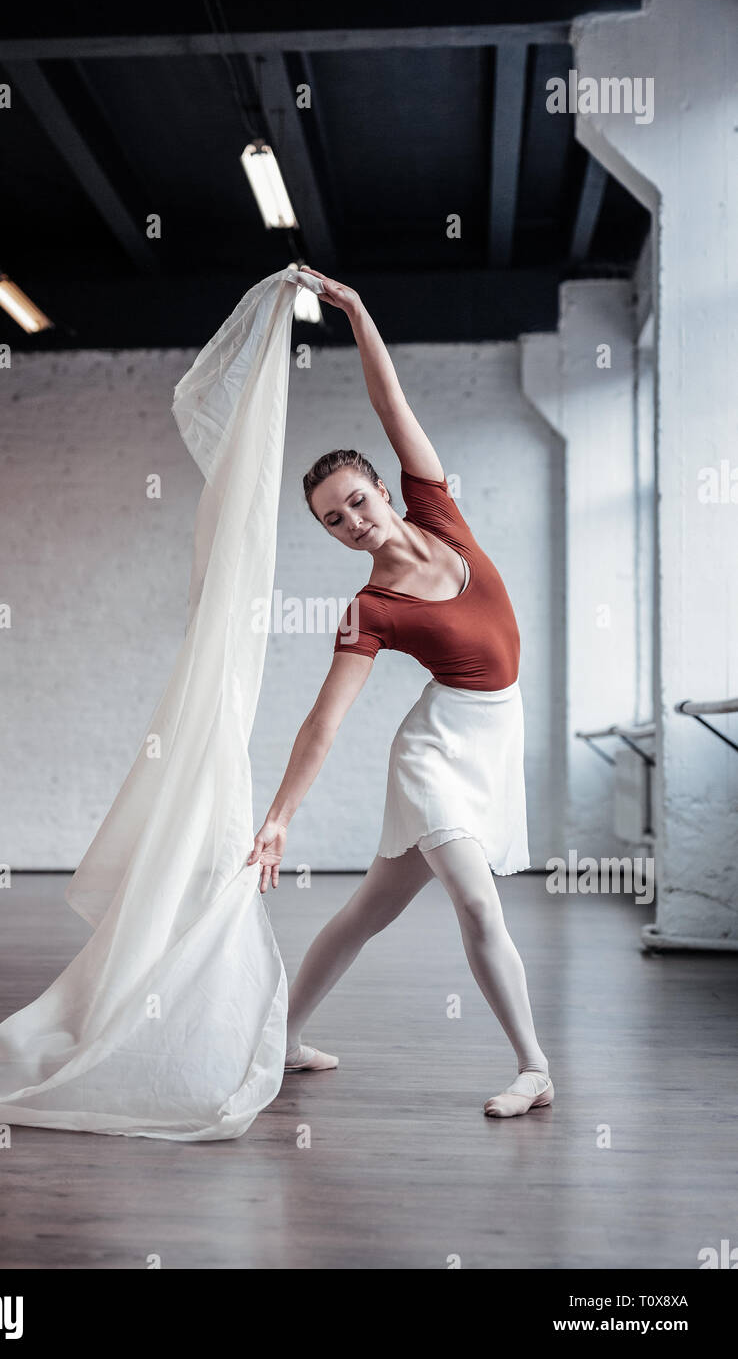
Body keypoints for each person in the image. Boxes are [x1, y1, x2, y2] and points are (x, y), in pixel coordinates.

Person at [247, 267, 553, 1119]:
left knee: (364, 914)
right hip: (434, 755)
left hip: (492, 741)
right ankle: (535, 1068)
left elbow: (391, 405)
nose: (353, 523)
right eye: (334, 521)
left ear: (383, 488)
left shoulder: (438, 511)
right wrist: (279, 819)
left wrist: (354, 309)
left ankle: (281, 1039)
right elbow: (324, 721)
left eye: (356, 501)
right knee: (476, 900)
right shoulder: (369, 610)